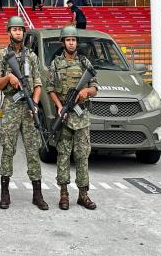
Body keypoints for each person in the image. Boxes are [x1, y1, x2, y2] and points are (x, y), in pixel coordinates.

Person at [0, 16, 48, 211]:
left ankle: (37, 193)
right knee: (8, 149)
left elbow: (38, 84)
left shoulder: (32, 56)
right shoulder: (2, 55)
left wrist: (34, 103)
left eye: (20, 29)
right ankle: (5, 193)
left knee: (33, 150)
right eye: (14, 29)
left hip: (28, 107)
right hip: (11, 106)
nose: (18, 32)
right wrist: (9, 77)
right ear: (8, 32)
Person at [47, 26, 98, 211]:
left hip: (82, 117)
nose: (71, 43)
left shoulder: (85, 62)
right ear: (63, 42)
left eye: (73, 40)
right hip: (65, 116)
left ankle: (83, 195)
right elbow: (50, 88)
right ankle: (64, 194)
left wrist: (86, 91)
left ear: (77, 42)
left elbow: (95, 88)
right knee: (63, 155)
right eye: (68, 40)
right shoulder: (55, 64)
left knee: (82, 156)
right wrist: (60, 107)